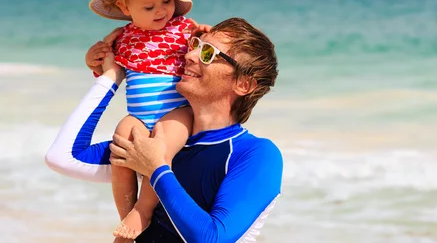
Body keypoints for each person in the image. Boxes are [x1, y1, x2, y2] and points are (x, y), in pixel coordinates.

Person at [45, 17, 284, 242]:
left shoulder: (256, 154)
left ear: (243, 84)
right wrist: (112, 76)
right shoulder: (160, 141)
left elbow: (213, 237)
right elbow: (63, 157)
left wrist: (156, 168)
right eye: (195, 45)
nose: (189, 55)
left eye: (207, 53)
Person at [85, 0, 207, 239]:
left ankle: (144, 209)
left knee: (160, 148)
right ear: (124, 7)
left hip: (177, 111)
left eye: (166, 1)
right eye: (149, 6)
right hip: (139, 115)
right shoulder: (122, 38)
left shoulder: (183, 29)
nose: (161, 11)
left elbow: (207, 53)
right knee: (121, 142)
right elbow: (105, 69)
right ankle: (126, 214)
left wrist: (206, 34)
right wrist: (92, 58)